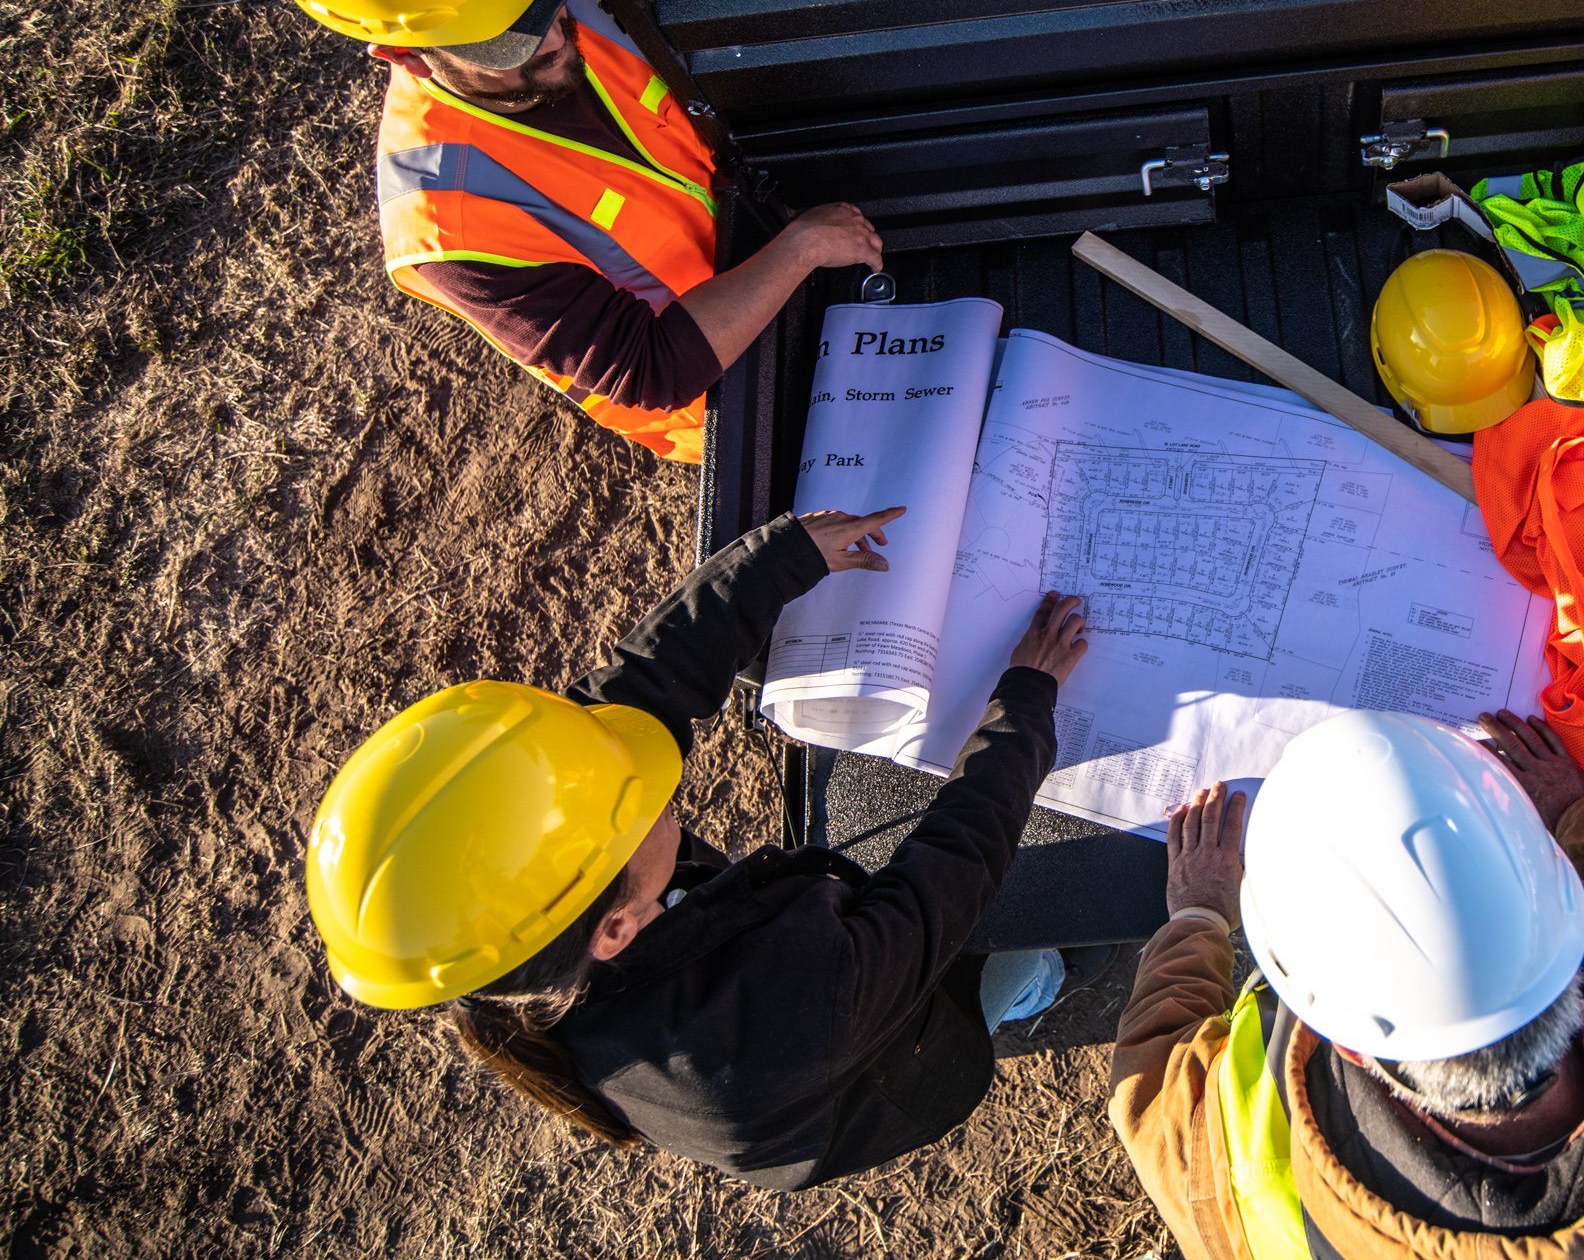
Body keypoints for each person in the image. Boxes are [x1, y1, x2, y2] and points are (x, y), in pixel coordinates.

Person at [304, 504, 1092, 1189]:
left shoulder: (516, 905)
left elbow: (645, 683)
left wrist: (786, 556)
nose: (652, 785)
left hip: (800, 997)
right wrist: (1026, 697)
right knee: (1010, 964)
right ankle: (1012, 1000)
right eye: (637, 805)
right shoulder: (777, 1021)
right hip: (891, 1076)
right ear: (614, 927)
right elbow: (942, 881)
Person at [238, 0, 869, 464]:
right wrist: (796, 252)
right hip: (748, 385)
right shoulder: (451, 221)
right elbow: (652, 370)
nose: (548, 37)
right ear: (397, 50)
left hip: (812, 217)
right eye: (498, 39)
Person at [1110, 708, 1584, 1258]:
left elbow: (1151, 1082)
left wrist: (1199, 914)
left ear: (1351, 1049)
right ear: (1560, 900)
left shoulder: (1248, 1179)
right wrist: (1579, 810)